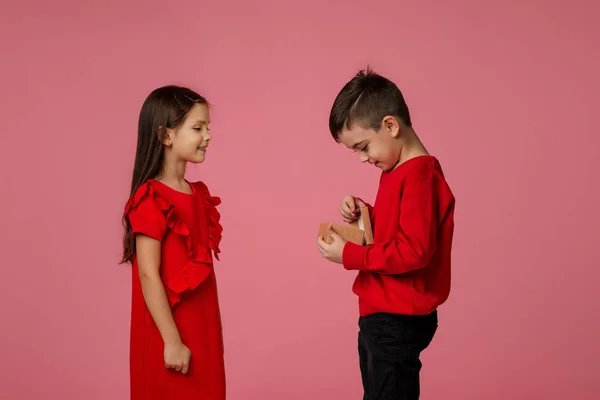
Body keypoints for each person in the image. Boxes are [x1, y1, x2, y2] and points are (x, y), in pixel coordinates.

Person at [317, 68, 455, 400]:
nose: (363, 158)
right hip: (383, 314)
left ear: (391, 126)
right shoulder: (399, 171)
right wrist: (365, 211)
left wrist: (349, 255)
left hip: (397, 319)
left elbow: (414, 250)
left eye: (364, 147)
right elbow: (401, 225)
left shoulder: (419, 176)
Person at [121, 86, 225, 400]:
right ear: (166, 136)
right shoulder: (151, 198)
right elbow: (148, 274)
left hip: (201, 329)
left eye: (208, 127)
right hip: (169, 334)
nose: (208, 136)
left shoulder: (197, 195)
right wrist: (172, 340)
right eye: (197, 128)